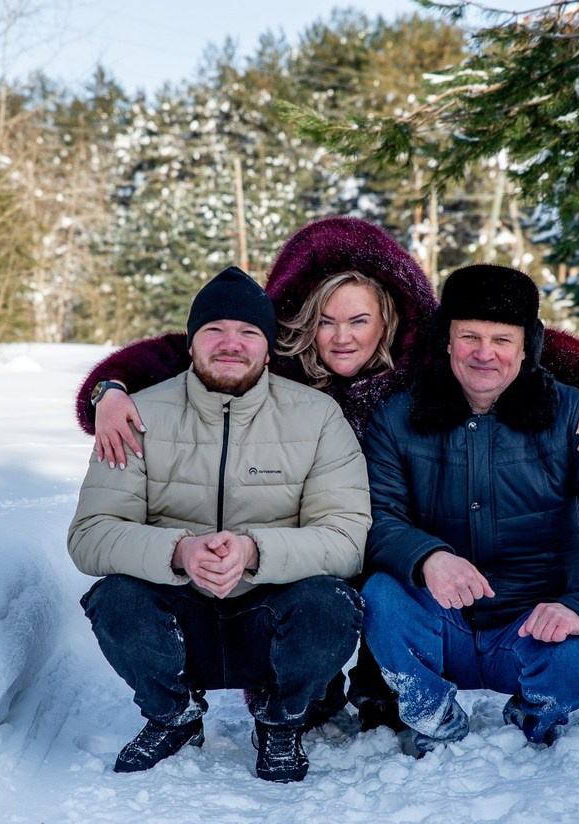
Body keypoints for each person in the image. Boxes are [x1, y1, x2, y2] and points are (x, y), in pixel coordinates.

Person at [74, 217, 579, 731]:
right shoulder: (275, 357)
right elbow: (189, 349)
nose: (342, 337)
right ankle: (302, 684)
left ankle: (380, 685)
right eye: (326, 321)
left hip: (404, 528)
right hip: (315, 532)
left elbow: (521, 340)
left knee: (377, 574)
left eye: (359, 320)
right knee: (343, 576)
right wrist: (110, 389)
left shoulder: (427, 354)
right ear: (299, 323)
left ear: (387, 319)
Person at [67, 266, 370, 783]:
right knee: (114, 597)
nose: (231, 344)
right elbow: (90, 534)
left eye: (249, 332)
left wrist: (255, 551)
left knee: (331, 603)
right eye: (214, 331)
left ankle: (281, 721)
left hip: (269, 613)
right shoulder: (137, 416)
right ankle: (173, 715)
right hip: (179, 613)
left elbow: (347, 538)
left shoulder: (317, 417)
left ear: (269, 348)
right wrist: (179, 551)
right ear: (190, 344)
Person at [360, 264, 579, 756]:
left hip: (532, 624)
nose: (485, 354)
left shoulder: (571, 414)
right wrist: (427, 557)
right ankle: (431, 714)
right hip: (440, 624)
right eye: (470, 337)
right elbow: (375, 513)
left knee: (575, 662)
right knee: (381, 596)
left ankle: (533, 710)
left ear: (528, 346)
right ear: (446, 340)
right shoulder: (397, 418)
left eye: (502, 339)